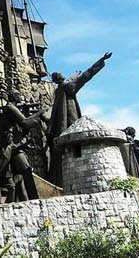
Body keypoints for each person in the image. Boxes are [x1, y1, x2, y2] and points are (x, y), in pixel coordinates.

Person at [47, 52, 112, 186]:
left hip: (62, 123)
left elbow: (75, 79)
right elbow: (86, 75)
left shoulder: (59, 90)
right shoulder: (66, 87)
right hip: (71, 118)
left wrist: (74, 75)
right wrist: (102, 60)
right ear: (59, 78)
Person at [0, 90, 44, 202]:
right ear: (14, 97)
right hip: (12, 147)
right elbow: (25, 123)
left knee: (19, 177)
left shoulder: (12, 108)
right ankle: (34, 199)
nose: (20, 96)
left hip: (13, 146)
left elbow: (22, 124)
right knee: (26, 171)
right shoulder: (10, 108)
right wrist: (39, 113)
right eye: (18, 95)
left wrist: (27, 112)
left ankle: (21, 200)